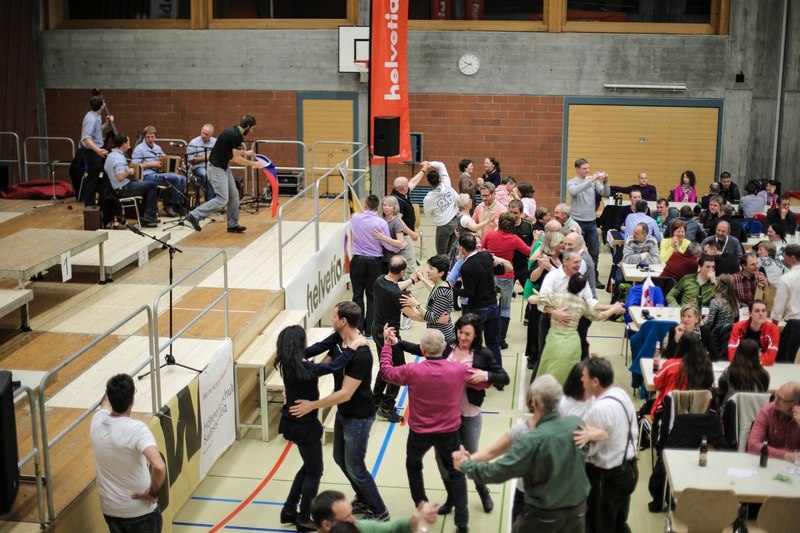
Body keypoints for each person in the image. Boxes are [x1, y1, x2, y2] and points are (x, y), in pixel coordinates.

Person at [396, 313, 508, 516]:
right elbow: (420, 349)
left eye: (467, 334)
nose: (462, 337)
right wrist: (397, 342)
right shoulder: (447, 347)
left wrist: (485, 374)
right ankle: (452, 497)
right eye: (460, 332)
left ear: (476, 335)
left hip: (469, 414)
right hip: (446, 419)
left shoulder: (483, 354)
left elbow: (503, 377)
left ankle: (482, 490)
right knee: (443, 460)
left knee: (470, 457)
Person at [380, 327, 490, 533]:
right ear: (444, 347)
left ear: (422, 349)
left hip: (419, 433)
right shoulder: (458, 370)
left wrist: (387, 346)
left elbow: (386, 373)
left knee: (413, 466)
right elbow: (483, 382)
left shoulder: (412, 371)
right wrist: (485, 374)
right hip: (449, 433)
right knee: (456, 473)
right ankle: (462, 523)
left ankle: (422, 508)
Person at [290, 301, 389, 522]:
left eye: (334, 316)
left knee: (356, 467)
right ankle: (363, 499)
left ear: (343, 321)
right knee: (340, 458)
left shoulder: (361, 353)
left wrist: (311, 405)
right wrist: (291, 356)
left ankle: (380, 511)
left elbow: (345, 393)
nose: (331, 319)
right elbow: (318, 352)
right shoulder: (338, 338)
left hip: (359, 416)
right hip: (344, 413)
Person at [455, 375, 590, 533]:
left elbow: (497, 472)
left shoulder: (531, 440)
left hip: (544, 516)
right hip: (578, 512)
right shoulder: (577, 424)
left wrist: (466, 465)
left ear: (534, 402)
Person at [90, 373, 165, 533]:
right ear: (132, 401)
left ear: (110, 397)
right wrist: (152, 493)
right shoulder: (137, 429)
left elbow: (105, 402)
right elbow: (158, 466)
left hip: (111, 512)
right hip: (141, 513)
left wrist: (113, 388)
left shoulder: (97, 420)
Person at [574, 357, 638, 533]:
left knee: (600, 526)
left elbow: (590, 449)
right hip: (629, 470)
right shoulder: (620, 394)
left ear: (595, 381)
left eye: (584, 375)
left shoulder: (599, 409)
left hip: (607, 478)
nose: (581, 379)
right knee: (619, 522)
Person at [275, 326, 326, 532]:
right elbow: (330, 367)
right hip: (305, 427)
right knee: (315, 470)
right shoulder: (305, 368)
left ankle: (289, 509)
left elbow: (318, 357)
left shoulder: (288, 363)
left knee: (308, 467)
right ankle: (304, 518)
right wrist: (347, 351)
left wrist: (334, 342)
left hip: (293, 423)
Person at [528, 273, 623, 383]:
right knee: (570, 372)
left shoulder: (555, 297)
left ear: (569, 283)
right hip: (572, 341)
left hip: (554, 339)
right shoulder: (582, 304)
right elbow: (599, 316)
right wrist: (614, 309)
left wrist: (551, 310)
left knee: (548, 367)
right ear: (582, 289)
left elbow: (531, 299)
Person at [185, 114, 264, 233]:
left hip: (223, 167)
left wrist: (245, 153)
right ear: (248, 126)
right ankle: (194, 215)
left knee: (234, 195)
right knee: (222, 199)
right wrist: (254, 164)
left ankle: (232, 224)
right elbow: (237, 159)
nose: (252, 131)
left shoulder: (233, 131)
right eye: (252, 128)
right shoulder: (236, 136)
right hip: (216, 168)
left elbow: (232, 153)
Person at [452, 232, 510, 366]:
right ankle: (497, 372)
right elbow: (500, 270)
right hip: (493, 306)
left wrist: (453, 290)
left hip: (478, 309)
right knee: (493, 343)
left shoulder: (466, 267)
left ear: (462, 248)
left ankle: (476, 370)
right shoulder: (486, 255)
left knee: (474, 343)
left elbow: (469, 292)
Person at [371, 255, 415, 423]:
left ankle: (376, 400)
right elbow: (412, 315)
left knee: (384, 364)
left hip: (377, 330)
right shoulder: (396, 294)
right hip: (390, 335)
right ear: (402, 272)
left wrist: (412, 280)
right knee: (399, 370)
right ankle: (387, 406)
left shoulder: (380, 280)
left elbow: (396, 286)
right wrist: (425, 312)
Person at [347, 194, 401, 333]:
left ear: (365, 204)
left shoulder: (355, 218)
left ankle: (358, 328)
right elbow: (386, 244)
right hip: (375, 262)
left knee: (357, 295)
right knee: (372, 296)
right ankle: (370, 329)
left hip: (358, 260)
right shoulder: (381, 223)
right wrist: (399, 246)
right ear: (378, 207)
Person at [483, 212, 531, 349]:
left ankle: (489, 335)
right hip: (506, 276)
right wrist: (535, 240)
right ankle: (501, 340)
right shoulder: (514, 239)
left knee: (490, 305)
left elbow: (483, 249)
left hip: (490, 275)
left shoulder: (490, 235)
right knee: (505, 308)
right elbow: (528, 252)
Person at [309, 490, 438, 533]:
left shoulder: (361, 528)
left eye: (351, 513)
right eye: (347, 517)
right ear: (327, 524)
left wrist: (417, 520)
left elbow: (393, 528)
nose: (354, 519)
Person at [567, 158, 610, 285]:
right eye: (584, 168)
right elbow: (574, 191)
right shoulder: (572, 182)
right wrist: (591, 180)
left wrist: (605, 181)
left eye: (588, 168)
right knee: (574, 251)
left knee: (594, 252)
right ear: (577, 169)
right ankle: (574, 276)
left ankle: (593, 277)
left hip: (591, 222)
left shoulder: (593, 180)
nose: (587, 170)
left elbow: (606, 193)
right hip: (577, 222)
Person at [103, 133, 160, 228]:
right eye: (128, 143)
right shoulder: (118, 158)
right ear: (123, 144)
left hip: (117, 188)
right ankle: (148, 217)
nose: (129, 145)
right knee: (152, 185)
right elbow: (120, 176)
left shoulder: (111, 155)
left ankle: (146, 216)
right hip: (123, 189)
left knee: (147, 185)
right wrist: (129, 171)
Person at [651, 333, 714, 416]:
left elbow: (657, 383)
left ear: (681, 346)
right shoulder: (706, 367)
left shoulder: (671, 365)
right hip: (698, 415)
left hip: (669, 414)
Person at [131, 126, 188, 217]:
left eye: (152, 137)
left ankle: (177, 204)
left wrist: (178, 163)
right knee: (175, 178)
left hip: (158, 173)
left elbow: (165, 158)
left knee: (182, 178)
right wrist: (151, 164)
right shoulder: (139, 149)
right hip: (147, 175)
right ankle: (172, 205)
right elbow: (134, 166)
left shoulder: (157, 148)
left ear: (155, 137)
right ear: (144, 137)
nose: (150, 139)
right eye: (148, 137)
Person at [403, 254, 454, 344]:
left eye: (431, 269)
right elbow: (434, 290)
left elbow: (432, 318)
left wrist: (416, 304)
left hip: (441, 338)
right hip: (437, 334)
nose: (428, 271)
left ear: (441, 273)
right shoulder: (442, 285)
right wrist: (422, 279)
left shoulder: (443, 293)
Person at [746, 382, 800, 463]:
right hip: (772, 461)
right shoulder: (768, 410)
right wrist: (786, 455)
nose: (775, 401)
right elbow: (752, 446)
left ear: (795, 404)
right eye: (776, 395)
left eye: (781, 399)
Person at [77, 94, 114, 206]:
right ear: (101, 105)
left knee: (101, 175)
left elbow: (97, 131)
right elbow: (86, 138)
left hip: (97, 149)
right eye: (103, 102)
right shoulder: (91, 119)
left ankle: (101, 200)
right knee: (92, 179)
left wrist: (107, 124)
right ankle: (89, 205)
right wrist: (98, 151)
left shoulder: (96, 115)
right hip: (91, 151)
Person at [717, 338, 770, 406]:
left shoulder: (730, 372)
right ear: (757, 355)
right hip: (755, 411)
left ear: (738, 353)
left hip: (731, 411)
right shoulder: (764, 375)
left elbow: (722, 385)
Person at [422, 161, 459, 255]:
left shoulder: (429, 198)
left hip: (444, 225)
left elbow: (427, 214)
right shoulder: (446, 183)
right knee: (451, 252)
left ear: (428, 182)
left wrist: (436, 217)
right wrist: (429, 163)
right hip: (456, 221)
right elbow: (441, 165)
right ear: (439, 178)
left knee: (441, 254)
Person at [727, 299, 780, 365]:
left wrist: (743, 358)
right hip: (742, 367)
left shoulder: (773, 329)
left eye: (763, 311)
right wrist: (758, 357)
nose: (761, 314)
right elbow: (732, 356)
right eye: (757, 311)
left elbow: (769, 360)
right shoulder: (738, 327)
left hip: (763, 367)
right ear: (750, 313)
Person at [771, 243, 800, 362]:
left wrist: (773, 326)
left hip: (795, 326)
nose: (784, 259)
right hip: (795, 324)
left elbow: (779, 306)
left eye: (785, 257)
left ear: (792, 258)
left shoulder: (787, 278)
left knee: (787, 363)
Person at [390, 173, 423, 274]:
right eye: (406, 184)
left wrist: (423, 170)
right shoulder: (398, 201)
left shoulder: (399, 192)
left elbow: (413, 182)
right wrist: (411, 233)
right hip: (403, 236)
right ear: (404, 187)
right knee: (410, 266)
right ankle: (404, 283)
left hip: (403, 235)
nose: (409, 185)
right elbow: (398, 220)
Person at [703, 273, 740, 360]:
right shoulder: (735, 301)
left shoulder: (715, 302)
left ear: (718, 285)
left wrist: (705, 321)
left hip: (716, 336)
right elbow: (736, 320)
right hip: (730, 335)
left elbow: (710, 324)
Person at [508, 199, 536, 290]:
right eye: (510, 212)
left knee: (529, 291)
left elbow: (532, 243)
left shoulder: (528, 225)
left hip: (523, 265)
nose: (512, 215)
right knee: (505, 295)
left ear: (521, 213)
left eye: (515, 213)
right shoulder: (505, 226)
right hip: (509, 266)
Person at [377, 196, 409, 270]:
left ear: (395, 208)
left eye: (390, 206)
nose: (387, 208)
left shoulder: (396, 222)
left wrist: (383, 238)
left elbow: (399, 243)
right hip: (384, 258)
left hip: (396, 259)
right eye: (385, 205)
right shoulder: (380, 220)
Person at [186, 123, 216, 202]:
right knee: (206, 175)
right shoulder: (194, 143)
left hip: (213, 166)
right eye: (203, 133)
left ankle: (220, 200)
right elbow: (191, 159)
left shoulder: (215, 142)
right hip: (198, 167)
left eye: (206, 134)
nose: (203, 135)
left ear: (211, 135)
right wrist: (205, 157)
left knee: (223, 174)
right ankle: (210, 201)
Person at [564, 232, 597, 298]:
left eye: (570, 244)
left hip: (586, 299)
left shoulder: (582, 260)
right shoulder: (580, 256)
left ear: (579, 245)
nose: (566, 247)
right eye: (565, 244)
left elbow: (573, 280)